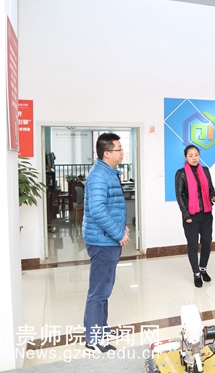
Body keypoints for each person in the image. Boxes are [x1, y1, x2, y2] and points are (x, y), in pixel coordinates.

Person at [82, 133, 130, 353]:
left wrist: (122, 227)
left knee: (105, 288)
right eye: (119, 149)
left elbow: (110, 207)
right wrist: (118, 233)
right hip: (103, 241)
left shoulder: (108, 172)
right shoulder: (99, 176)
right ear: (107, 153)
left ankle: (102, 329)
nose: (122, 153)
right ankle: (93, 340)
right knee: (99, 291)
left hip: (106, 238)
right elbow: (98, 210)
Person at [175, 145, 215, 288]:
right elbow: (179, 195)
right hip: (191, 215)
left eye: (196, 155)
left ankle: (203, 268)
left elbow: (210, 187)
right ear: (185, 157)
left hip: (206, 213)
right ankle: (196, 273)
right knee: (193, 245)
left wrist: (213, 195)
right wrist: (185, 214)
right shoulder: (181, 173)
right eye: (191, 155)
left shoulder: (205, 170)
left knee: (207, 242)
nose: (194, 158)